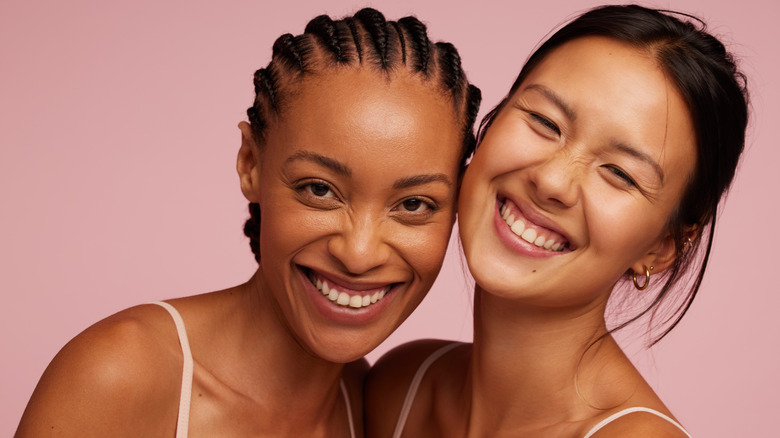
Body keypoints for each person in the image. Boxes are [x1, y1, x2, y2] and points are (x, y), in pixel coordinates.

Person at [16, 8, 480, 437]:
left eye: (414, 204)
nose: (358, 254)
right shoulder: (119, 376)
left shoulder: (366, 405)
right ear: (250, 162)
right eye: (319, 189)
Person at [367, 4, 748, 437]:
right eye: (545, 122)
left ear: (661, 247)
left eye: (620, 173)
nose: (551, 181)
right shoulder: (401, 385)